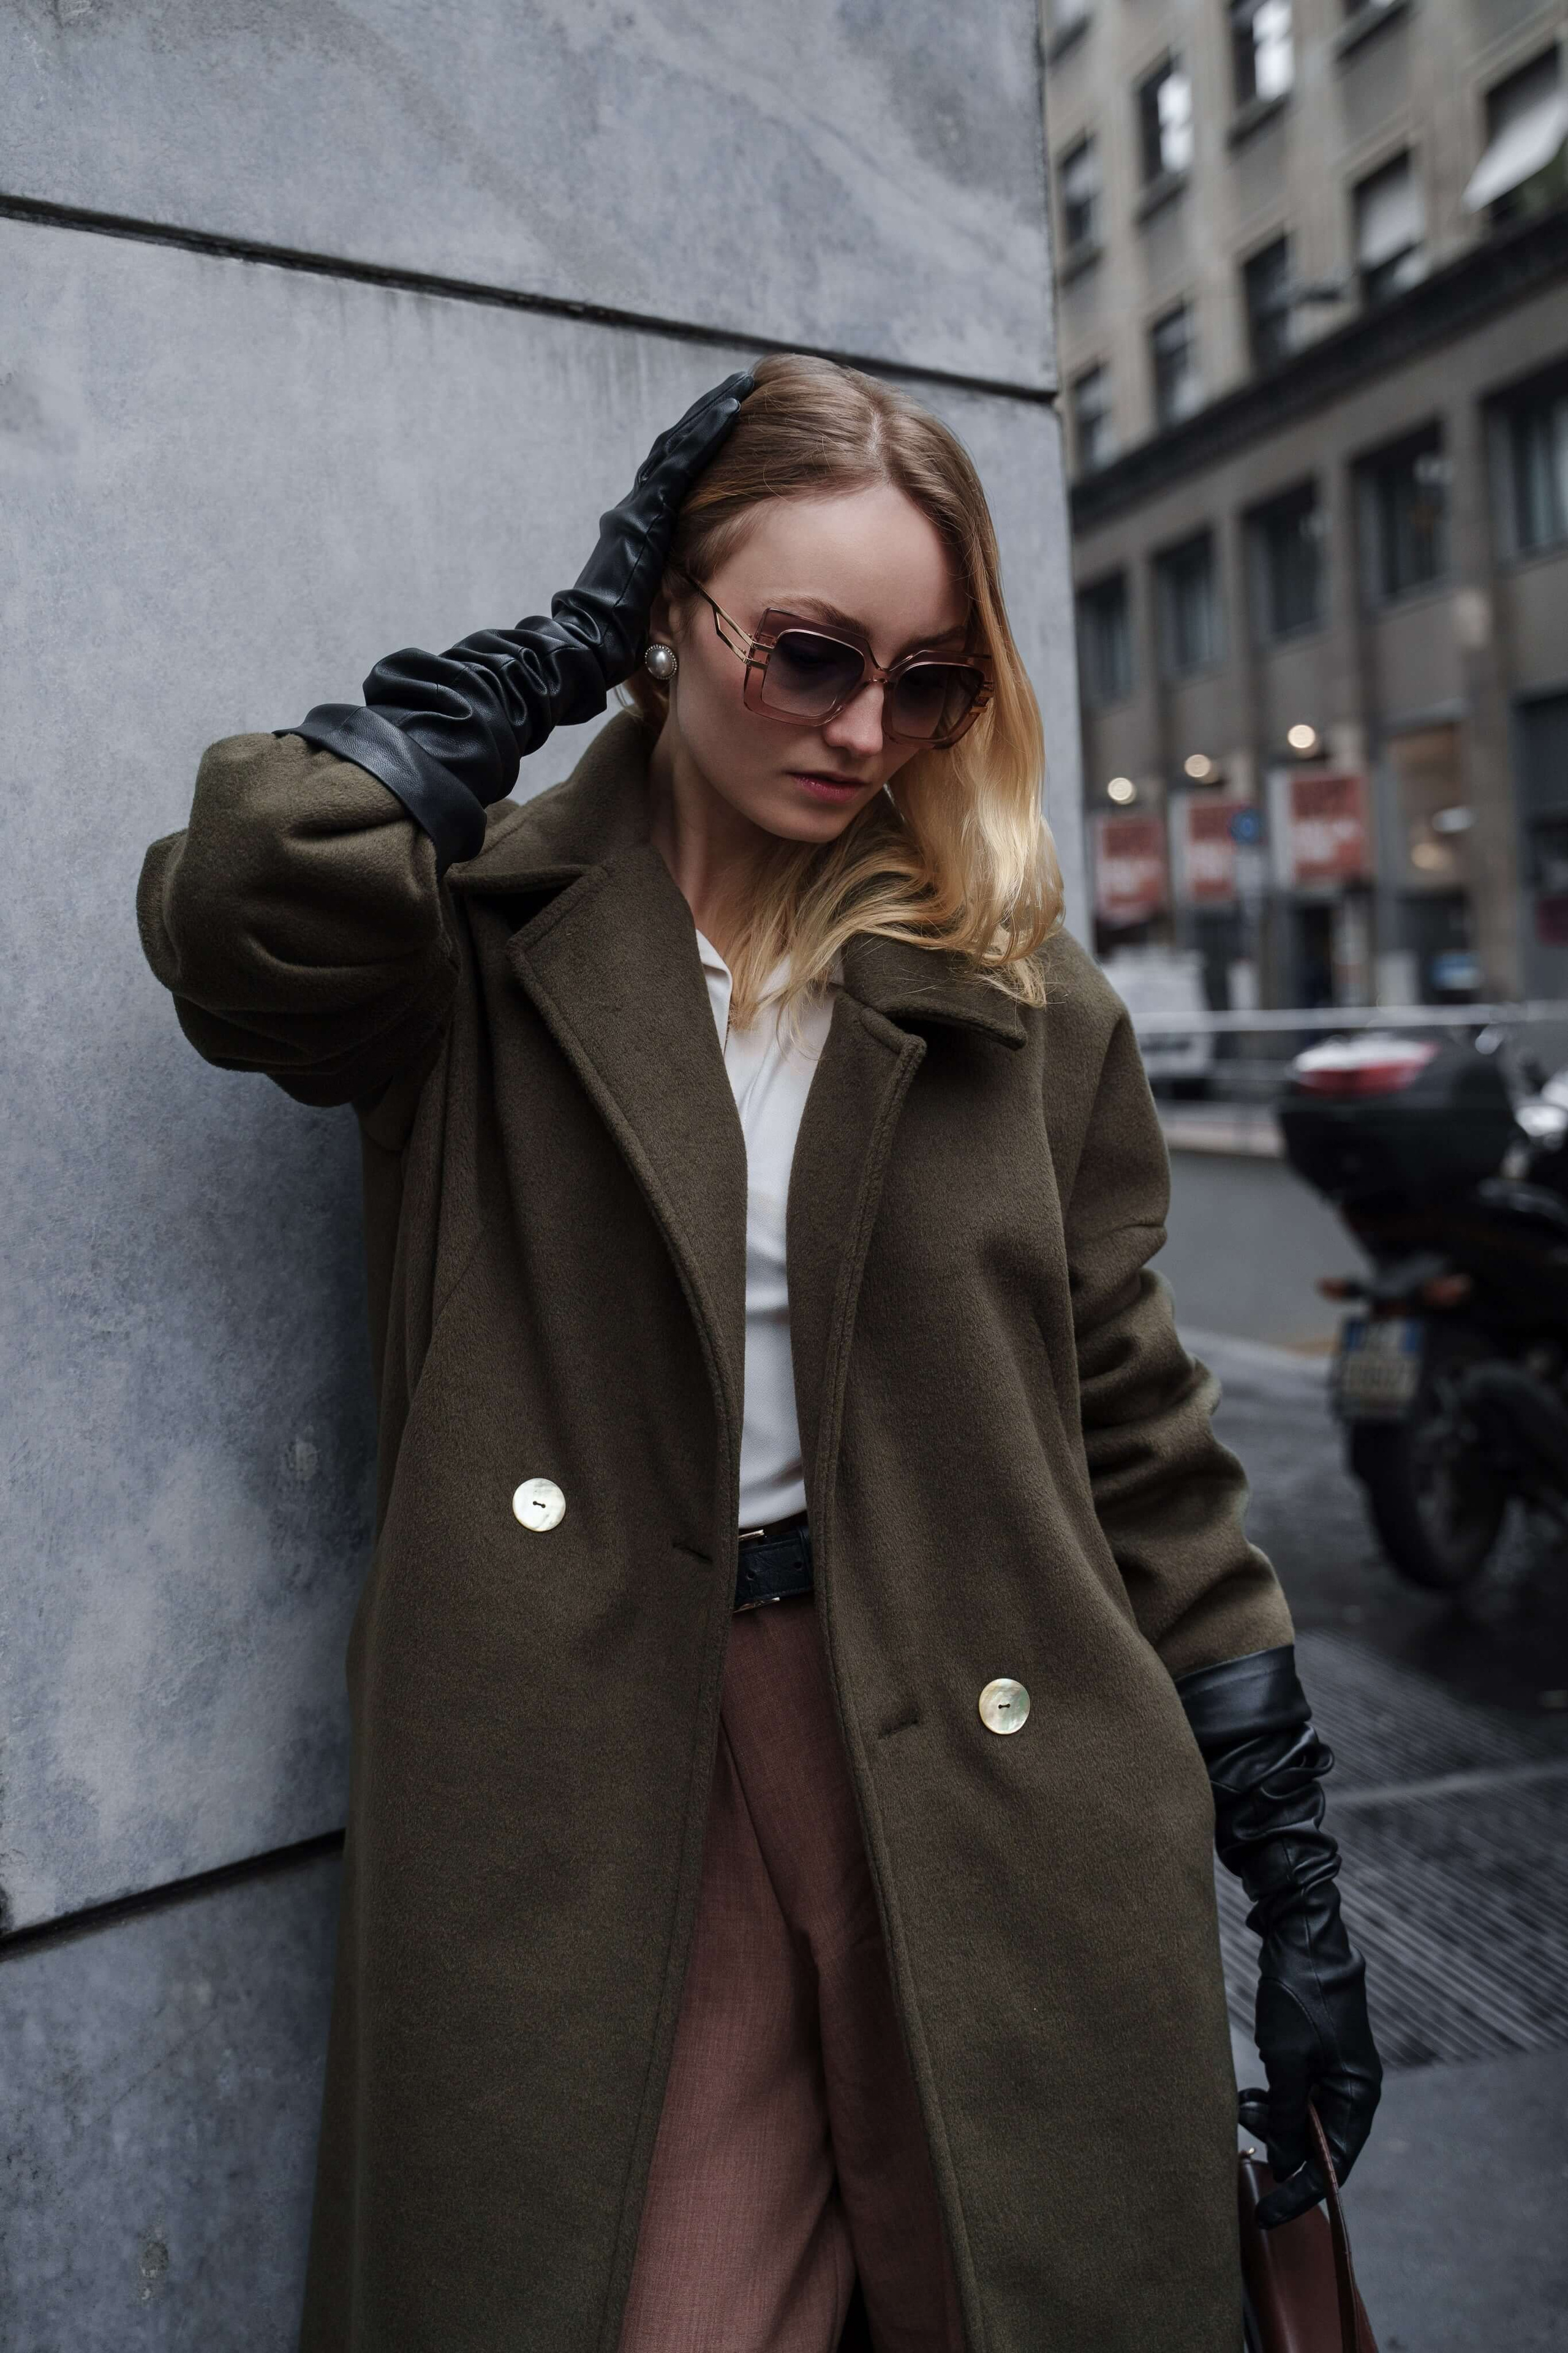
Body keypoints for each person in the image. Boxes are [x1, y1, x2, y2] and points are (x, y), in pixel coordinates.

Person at [137, 356, 1381, 2353]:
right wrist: (550, 653)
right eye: (809, 656)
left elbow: (1140, 1434)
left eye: (933, 680)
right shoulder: (473, 940)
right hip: (602, 1765)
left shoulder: (1012, 985)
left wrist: (1298, 1876)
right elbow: (244, 902)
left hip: (996, 1755)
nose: (867, 732)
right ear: (672, 617)